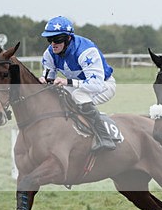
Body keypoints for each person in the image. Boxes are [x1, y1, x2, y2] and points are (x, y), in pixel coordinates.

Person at [38, 16, 117, 151]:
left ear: (68, 38)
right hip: (79, 85)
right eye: (49, 39)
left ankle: (105, 137)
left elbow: (96, 84)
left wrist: (67, 81)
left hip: (103, 85)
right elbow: (49, 78)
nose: (53, 44)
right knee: (55, 95)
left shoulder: (86, 51)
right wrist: (43, 81)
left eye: (57, 40)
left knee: (79, 96)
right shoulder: (50, 53)